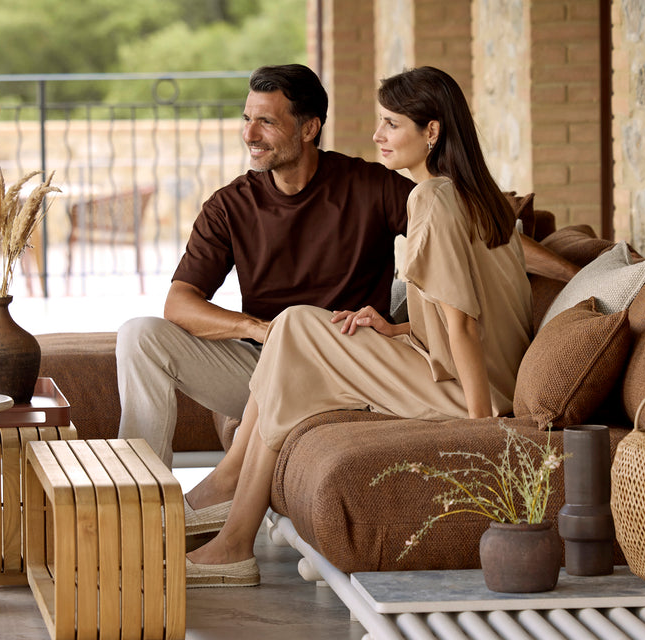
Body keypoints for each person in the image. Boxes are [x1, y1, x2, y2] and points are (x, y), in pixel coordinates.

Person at [183, 66, 535, 587]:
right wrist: (395, 330)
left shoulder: (431, 199)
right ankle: (233, 517)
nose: (377, 136)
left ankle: (235, 529)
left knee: (295, 329)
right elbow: (457, 310)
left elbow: (463, 325)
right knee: (294, 331)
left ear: (431, 133)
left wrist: (480, 427)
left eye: (391, 124)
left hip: (473, 389)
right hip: (466, 370)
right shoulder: (468, 196)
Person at [116, 64, 415, 466]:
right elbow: (179, 304)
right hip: (263, 367)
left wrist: (524, 249)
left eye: (266, 122)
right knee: (140, 335)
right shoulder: (230, 205)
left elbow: (463, 233)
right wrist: (257, 329)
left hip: (345, 369)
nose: (249, 135)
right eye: (246, 119)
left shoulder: (371, 186)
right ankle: (142, 497)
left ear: (309, 129)